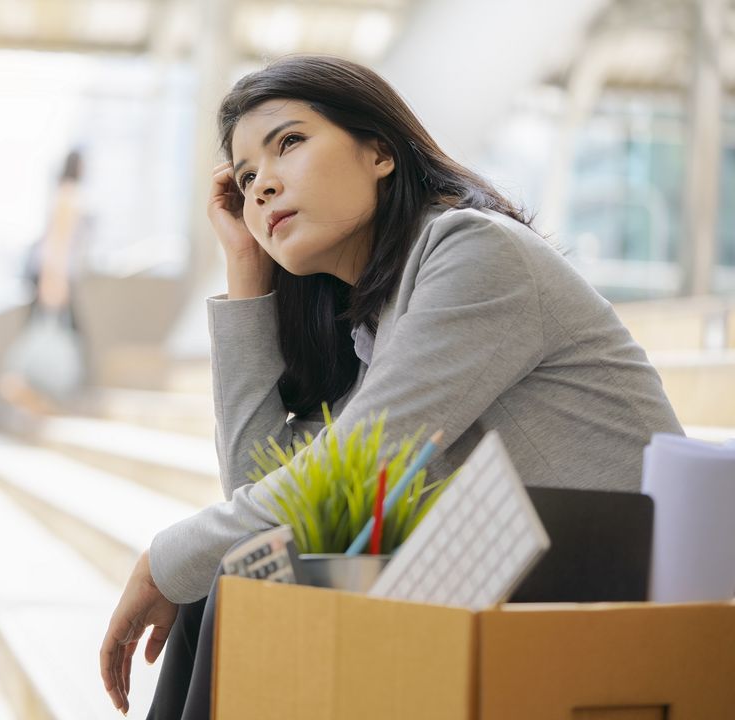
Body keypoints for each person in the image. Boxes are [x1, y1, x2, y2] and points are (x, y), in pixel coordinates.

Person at [98, 55, 683, 718]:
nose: (261, 188)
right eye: (245, 178)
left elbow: (338, 477)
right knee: (232, 581)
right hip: (512, 600)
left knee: (222, 583)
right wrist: (244, 271)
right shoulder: (373, 326)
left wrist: (161, 560)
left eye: (288, 143)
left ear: (378, 151)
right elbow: (271, 501)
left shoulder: (473, 250)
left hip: (612, 613)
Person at [0, 149, 88, 415]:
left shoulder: (60, 194)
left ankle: (39, 397)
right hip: (54, 276)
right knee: (61, 338)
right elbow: (58, 243)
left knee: (55, 336)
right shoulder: (68, 195)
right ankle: (23, 386)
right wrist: (54, 283)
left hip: (50, 275)